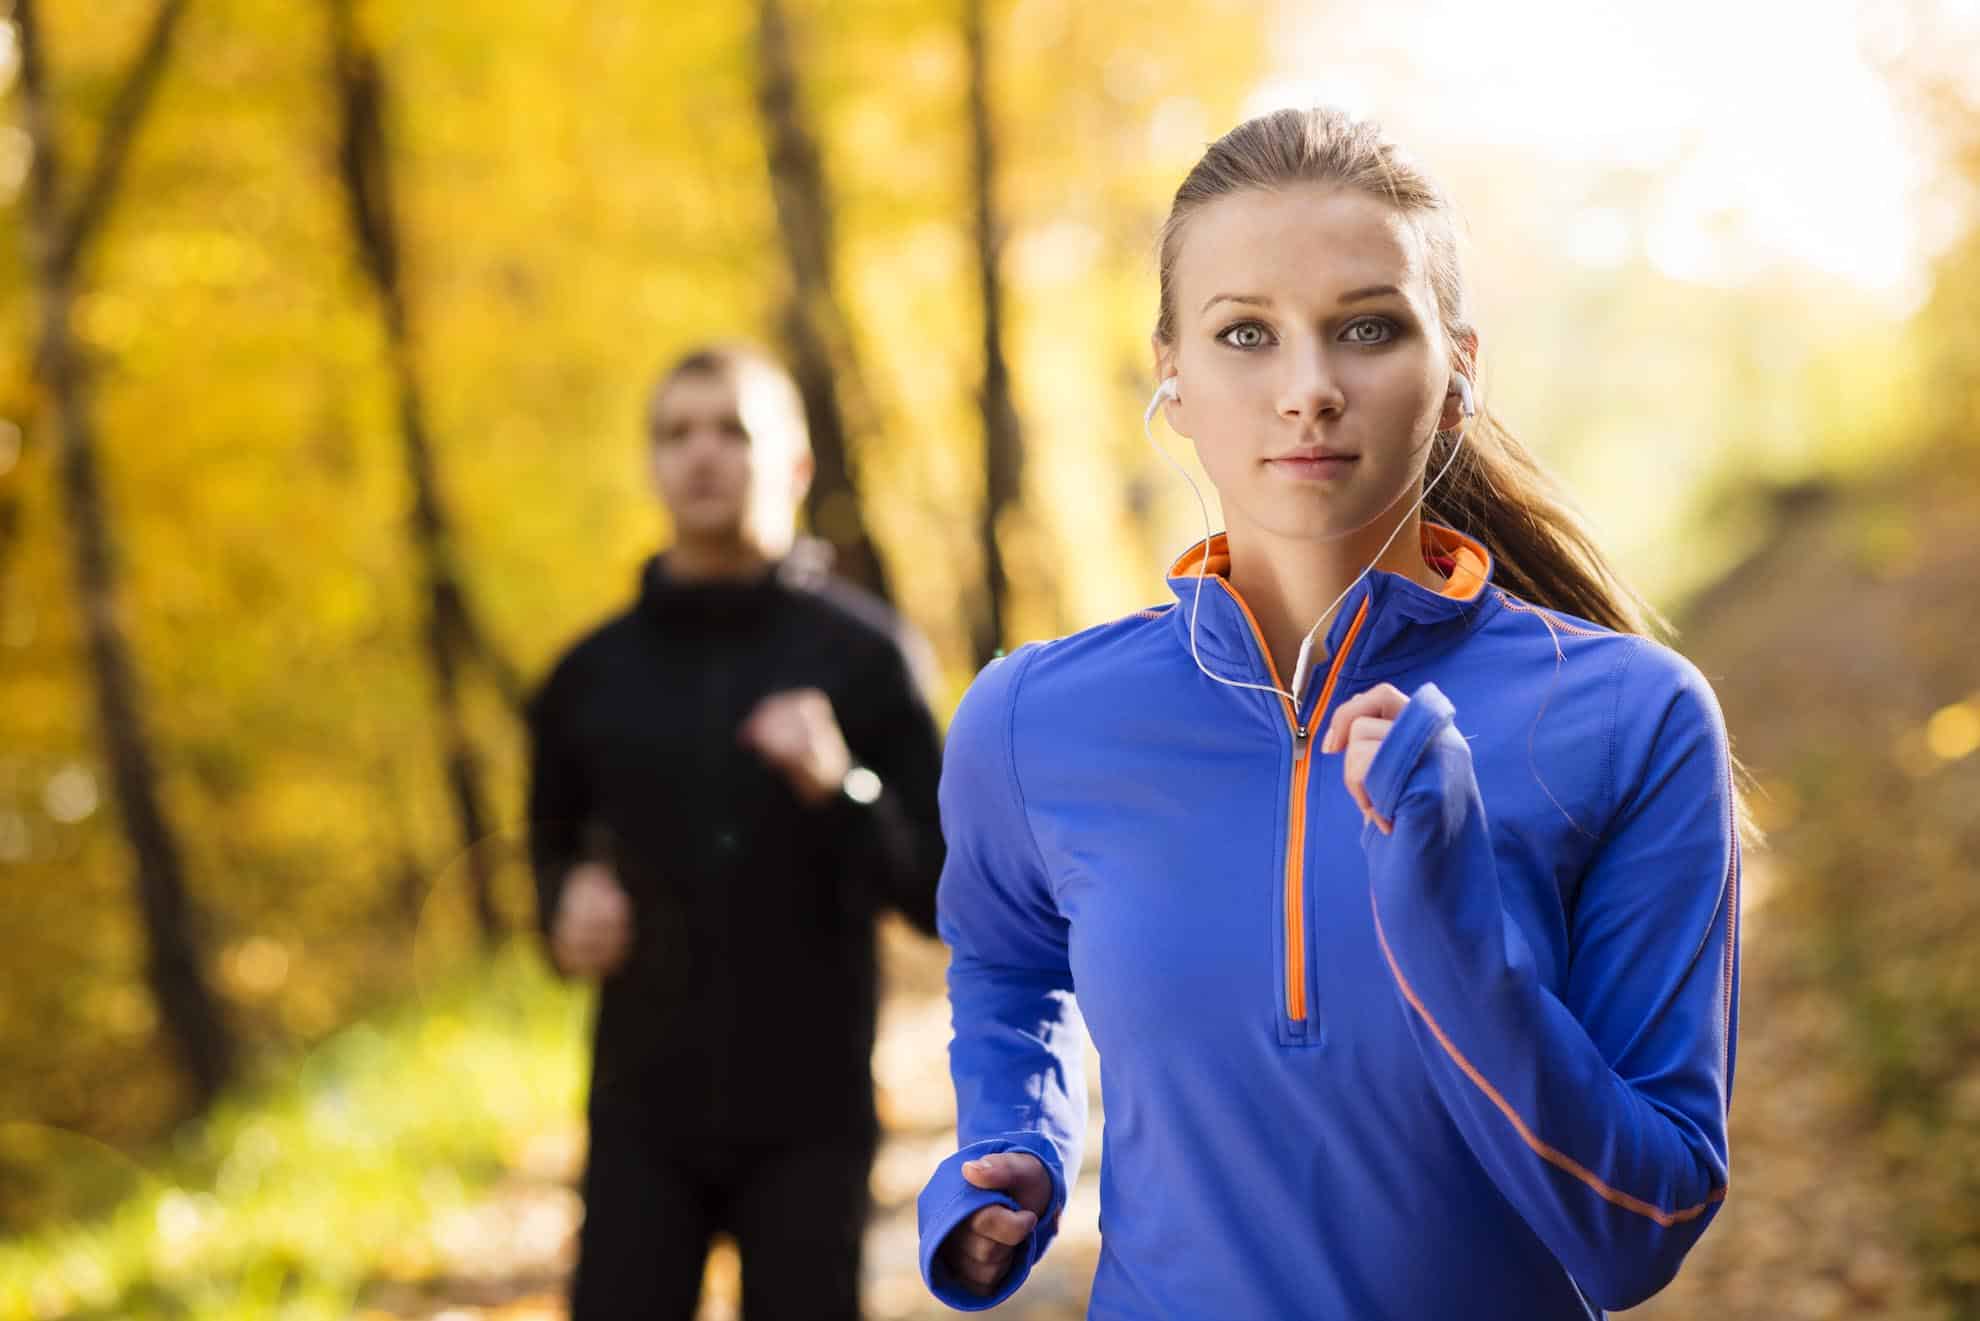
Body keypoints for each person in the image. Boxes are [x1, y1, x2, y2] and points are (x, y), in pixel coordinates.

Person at [915, 107, 1744, 1319]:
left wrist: (1452, 933)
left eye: (1365, 327)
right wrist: (1015, 1136)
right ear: (1174, 378)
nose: (1308, 391)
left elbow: (1639, 1233)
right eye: (1245, 333)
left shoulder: (1634, 718)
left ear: (1457, 373)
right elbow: (1007, 956)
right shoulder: (1030, 720)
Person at [527, 343, 946, 1320]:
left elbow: (934, 891)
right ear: (652, 465)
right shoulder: (586, 677)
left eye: (733, 430)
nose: (702, 454)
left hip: (812, 1113)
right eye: (677, 433)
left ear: (794, 467)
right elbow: (545, 858)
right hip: (641, 1114)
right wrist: (561, 909)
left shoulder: (869, 657)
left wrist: (839, 784)